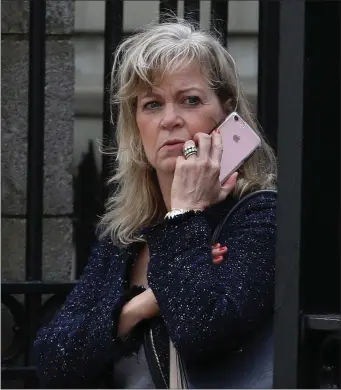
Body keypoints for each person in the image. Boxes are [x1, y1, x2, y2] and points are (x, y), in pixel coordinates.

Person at [33, 17, 277, 389]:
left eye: (190, 100)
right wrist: (138, 307)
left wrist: (184, 214)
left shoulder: (261, 216)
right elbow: (53, 362)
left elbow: (204, 333)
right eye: (151, 104)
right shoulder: (125, 237)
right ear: (136, 124)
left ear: (227, 112)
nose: (169, 120)